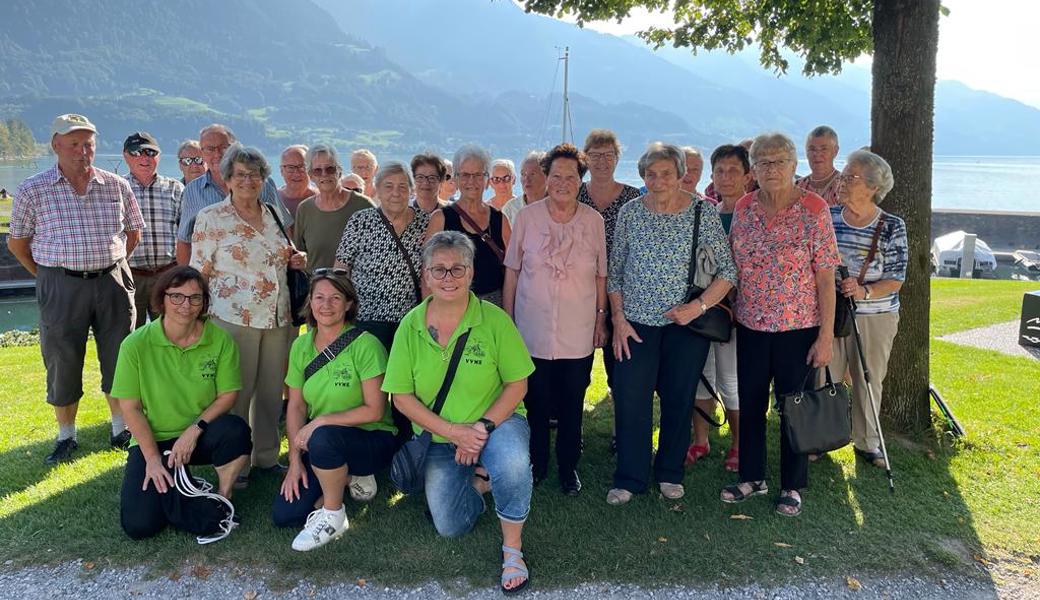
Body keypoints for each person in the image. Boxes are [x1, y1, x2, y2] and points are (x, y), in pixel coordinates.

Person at [383, 231, 534, 594]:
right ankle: (481, 482)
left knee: (512, 463)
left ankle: (512, 549)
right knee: (449, 525)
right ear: (426, 275)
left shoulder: (494, 320)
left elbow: (518, 385)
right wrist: (454, 432)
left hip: (497, 423)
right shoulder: (410, 325)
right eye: (439, 270)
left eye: (457, 269)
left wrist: (479, 429)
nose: (448, 278)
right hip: (441, 435)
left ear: (471, 273)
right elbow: (401, 397)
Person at [7, 113, 144, 463]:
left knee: (119, 356)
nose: (82, 151)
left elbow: (133, 232)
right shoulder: (32, 189)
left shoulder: (116, 185)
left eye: (88, 144)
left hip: (112, 280)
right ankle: (66, 435)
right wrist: (48, 274)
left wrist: (112, 263)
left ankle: (119, 428)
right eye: (73, 144)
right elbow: (18, 243)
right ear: (55, 145)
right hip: (60, 284)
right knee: (62, 358)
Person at [606, 142, 737, 505]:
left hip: (686, 328)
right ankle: (629, 477)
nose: (658, 180)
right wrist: (618, 319)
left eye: (666, 173)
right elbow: (614, 273)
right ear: (642, 176)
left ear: (681, 175)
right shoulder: (631, 212)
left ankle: (669, 472)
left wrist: (698, 307)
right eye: (650, 174)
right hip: (635, 325)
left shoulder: (702, 212)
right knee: (631, 399)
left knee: (679, 399)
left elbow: (728, 271)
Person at [722, 132, 839, 518]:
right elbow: (734, 265)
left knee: (795, 408)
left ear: (793, 166)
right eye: (764, 162)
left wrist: (825, 336)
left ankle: (793, 485)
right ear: (753, 169)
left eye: (779, 162)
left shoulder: (814, 209)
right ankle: (751, 476)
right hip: (752, 325)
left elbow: (825, 276)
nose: (772, 169)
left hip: (799, 327)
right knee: (751, 404)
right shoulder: (744, 207)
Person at [190, 143, 307, 486]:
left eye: (254, 174)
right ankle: (235, 463)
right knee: (236, 393)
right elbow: (200, 272)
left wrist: (295, 258)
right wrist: (196, 316)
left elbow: (281, 253)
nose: (247, 180)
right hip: (233, 319)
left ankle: (267, 458)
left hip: (278, 317)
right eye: (240, 174)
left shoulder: (272, 211)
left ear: (263, 179)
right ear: (226, 179)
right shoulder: (211, 218)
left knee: (271, 393)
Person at [113, 265, 251, 540]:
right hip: (155, 439)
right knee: (140, 526)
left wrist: (194, 429)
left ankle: (222, 499)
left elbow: (228, 396)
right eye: (177, 296)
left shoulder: (220, 340)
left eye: (195, 297)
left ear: (203, 303)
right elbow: (130, 407)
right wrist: (152, 460)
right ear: (161, 298)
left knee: (236, 431)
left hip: (199, 435)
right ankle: (184, 486)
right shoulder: (135, 345)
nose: (186, 305)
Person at [503, 143, 607, 495]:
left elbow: (601, 276)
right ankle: (537, 464)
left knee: (571, 403)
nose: (563, 182)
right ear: (545, 178)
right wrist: (508, 320)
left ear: (581, 180)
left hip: (577, 332)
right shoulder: (528, 218)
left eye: (571, 176)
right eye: (556, 175)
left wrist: (600, 320)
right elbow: (513, 272)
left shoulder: (593, 221)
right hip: (531, 329)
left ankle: (568, 467)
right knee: (535, 402)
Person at [272, 271, 397, 550]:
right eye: (319, 297)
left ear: (349, 304)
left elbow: (375, 410)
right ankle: (348, 478)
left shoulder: (366, 345)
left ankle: (334, 515)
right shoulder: (301, 346)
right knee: (286, 515)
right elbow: (295, 405)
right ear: (310, 303)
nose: (326, 305)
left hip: (369, 438)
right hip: (323, 444)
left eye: (335, 298)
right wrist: (293, 461)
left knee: (324, 436)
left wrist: (322, 421)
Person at [828, 149, 907, 467]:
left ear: (873, 186)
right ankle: (824, 436)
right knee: (827, 378)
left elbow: (896, 279)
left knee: (869, 379)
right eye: (843, 175)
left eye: (851, 177)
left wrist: (864, 291)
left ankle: (867, 442)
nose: (843, 181)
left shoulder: (891, 226)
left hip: (876, 316)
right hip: (832, 314)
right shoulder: (829, 216)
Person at [687, 144, 753, 472]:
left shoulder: (753, 213)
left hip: (739, 313)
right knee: (702, 375)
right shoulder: (705, 213)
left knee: (730, 380)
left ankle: (739, 445)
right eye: (720, 171)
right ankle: (701, 440)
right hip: (705, 311)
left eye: (733, 171)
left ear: (747, 175)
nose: (726, 177)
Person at [577, 128, 643, 444]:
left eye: (608, 155)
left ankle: (623, 433)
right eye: (595, 155)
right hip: (578, 294)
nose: (602, 161)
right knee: (576, 371)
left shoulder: (634, 198)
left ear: (618, 158)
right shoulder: (574, 194)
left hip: (622, 297)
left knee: (621, 371)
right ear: (585, 159)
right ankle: (570, 430)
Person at [175, 124, 291, 265]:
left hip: (264, 275)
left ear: (235, 149)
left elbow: (284, 228)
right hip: (217, 281)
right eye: (210, 149)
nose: (217, 154)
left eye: (224, 147)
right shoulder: (192, 191)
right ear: (202, 152)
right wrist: (187, 283)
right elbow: (184, 242)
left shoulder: (262, 183)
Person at [426, 145, 511, 306]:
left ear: (487, 180)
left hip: (492, 310)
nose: (471, 181)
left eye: (478, 175)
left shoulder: (500, 221)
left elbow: (511, 273)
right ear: (456, 180)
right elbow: (427, 272)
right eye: (465, 175)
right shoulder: (440, 219)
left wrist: (508, 316)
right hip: (451, 307)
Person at [122, 131, 184, 328]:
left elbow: (188, 234)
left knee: (171, 333)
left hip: (168, 275)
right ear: (125, 155)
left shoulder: (175, 188)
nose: (144, 157)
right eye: (136, 152)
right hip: (130, 276)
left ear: (158, 155)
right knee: (130, 337)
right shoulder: (116, 188)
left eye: (150, 152)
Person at [293, 143, 373, 271]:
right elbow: (300, 252)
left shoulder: (363, 205)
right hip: (317, 287)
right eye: (318, 170)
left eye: (330, 169)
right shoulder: (305, 209)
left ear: (339, 171)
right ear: (311, 176)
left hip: (356, 289)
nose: (324, 174)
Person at [796, 126, 841, 206]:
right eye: (812, 149)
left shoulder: (843, 186)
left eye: (824, 149)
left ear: (835, 151)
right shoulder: (797, 186)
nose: (817, 154)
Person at [501, 151, 547, 225]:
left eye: (532, 174)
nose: (527, 179)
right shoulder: (510, 209)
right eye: (523, 174)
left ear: (547, 176)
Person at [278, 145, 319, 217]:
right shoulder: (272, 200)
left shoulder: (322, 199)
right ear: (281, 171)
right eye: (290, 167)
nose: (296, 173)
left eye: (302, 167)